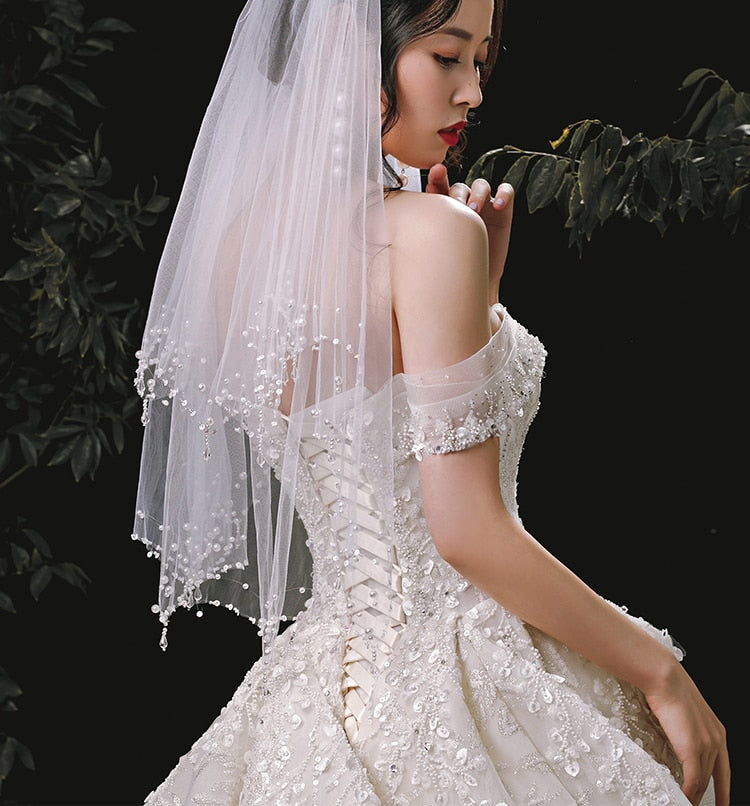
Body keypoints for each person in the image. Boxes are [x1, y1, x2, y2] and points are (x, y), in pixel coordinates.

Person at [131, 0, 730, 804]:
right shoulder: (431, 232)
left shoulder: (240, 248)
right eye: (447, 57)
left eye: (480, 60)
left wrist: (476, 301)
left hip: (317, 702)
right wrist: (661, 673)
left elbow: (359, 406)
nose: (473, 91)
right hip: (459, 681)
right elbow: (465, 532)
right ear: (357, 56)